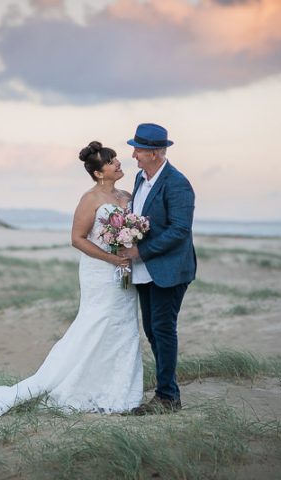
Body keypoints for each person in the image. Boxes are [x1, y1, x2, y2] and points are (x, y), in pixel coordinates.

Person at [0, 141, 144, 416]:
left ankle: (121, 391)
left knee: (124, 325)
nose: (118, 163)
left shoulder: (127, 195)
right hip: (100, 272)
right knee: (96, 323)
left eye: (116, 159)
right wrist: (112, 258)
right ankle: (75, 384)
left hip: (125, 270)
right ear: (99, 172)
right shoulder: (90, 200)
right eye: (112, 161)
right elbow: (77, 239)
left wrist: (130, 246)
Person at [120, 123, 196, 415]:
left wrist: (140, 250)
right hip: (145, 270)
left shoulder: (177, 183)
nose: (134, 154)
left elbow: (180, 230)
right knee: (152, 330)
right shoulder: (141, 179)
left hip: (170, 270)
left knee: (163, 330)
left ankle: (168, 397)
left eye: (138, 149)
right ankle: (166, 390)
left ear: (154, 152)